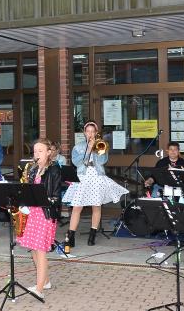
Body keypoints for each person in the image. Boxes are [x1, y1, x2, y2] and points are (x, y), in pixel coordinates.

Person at [63, 121, 127, 252]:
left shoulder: (100, 145)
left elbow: (103, 161)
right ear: (84, 133)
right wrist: (88, 149)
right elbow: (76, 162)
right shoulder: (78, 147)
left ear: (96, 133)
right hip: (82, 176)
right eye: (88, 131)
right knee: (77, 207)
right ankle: (71, 235)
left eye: (93, 131)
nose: (90, 134)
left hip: (96, 175)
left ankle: (92, 234)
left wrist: (96, 149)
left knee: (96, 206)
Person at [17, 139, 62, 298]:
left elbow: (56, 196)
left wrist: (45, 200)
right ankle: (46, 281)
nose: (36, 154)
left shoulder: (54, 170)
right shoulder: (32, 168)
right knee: (34, 250)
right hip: (32, 213)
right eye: (35, 151)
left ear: (49, 152)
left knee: (40, 250)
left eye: (40, 151)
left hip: (45, 213)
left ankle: (39, 289)